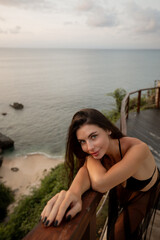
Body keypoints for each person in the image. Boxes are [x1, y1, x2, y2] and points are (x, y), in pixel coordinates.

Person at [41, 108, 160, 239]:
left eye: (93, 136)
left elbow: (101, 184)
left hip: (145, 194)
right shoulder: (99, 153)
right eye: (82, 142)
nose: (90, 147)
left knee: (116, 235)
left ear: (108, 130)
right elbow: (85, 171)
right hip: (125, 192)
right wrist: (73, 192)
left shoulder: (138, 149)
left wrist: (88, 158)